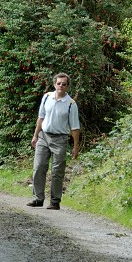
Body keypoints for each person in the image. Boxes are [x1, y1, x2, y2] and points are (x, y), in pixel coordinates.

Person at [27, 72, 80, 210]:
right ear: (54, 84)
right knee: (39, 167)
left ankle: (55, 201)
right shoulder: (47, 97)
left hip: (60, 139)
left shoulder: (71, 104)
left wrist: (75, 147)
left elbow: (75, 128)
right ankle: (38, 198)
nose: (61, 86)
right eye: (59, 83)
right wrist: (35, 135)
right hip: (43, 136)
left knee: (57, 171)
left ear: (67, 86)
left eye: (64, 84)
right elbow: (40, 118)